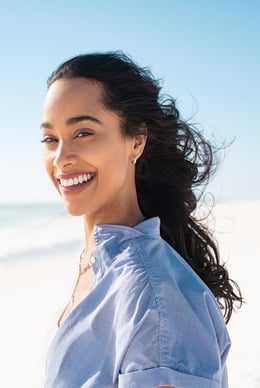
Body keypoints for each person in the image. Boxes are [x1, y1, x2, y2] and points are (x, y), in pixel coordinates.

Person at [41, 52, 242, 388]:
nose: (61, 158)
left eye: (83, 133)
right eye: (50, 139)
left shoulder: (153, 298)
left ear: (136, 140)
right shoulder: (99, 265)